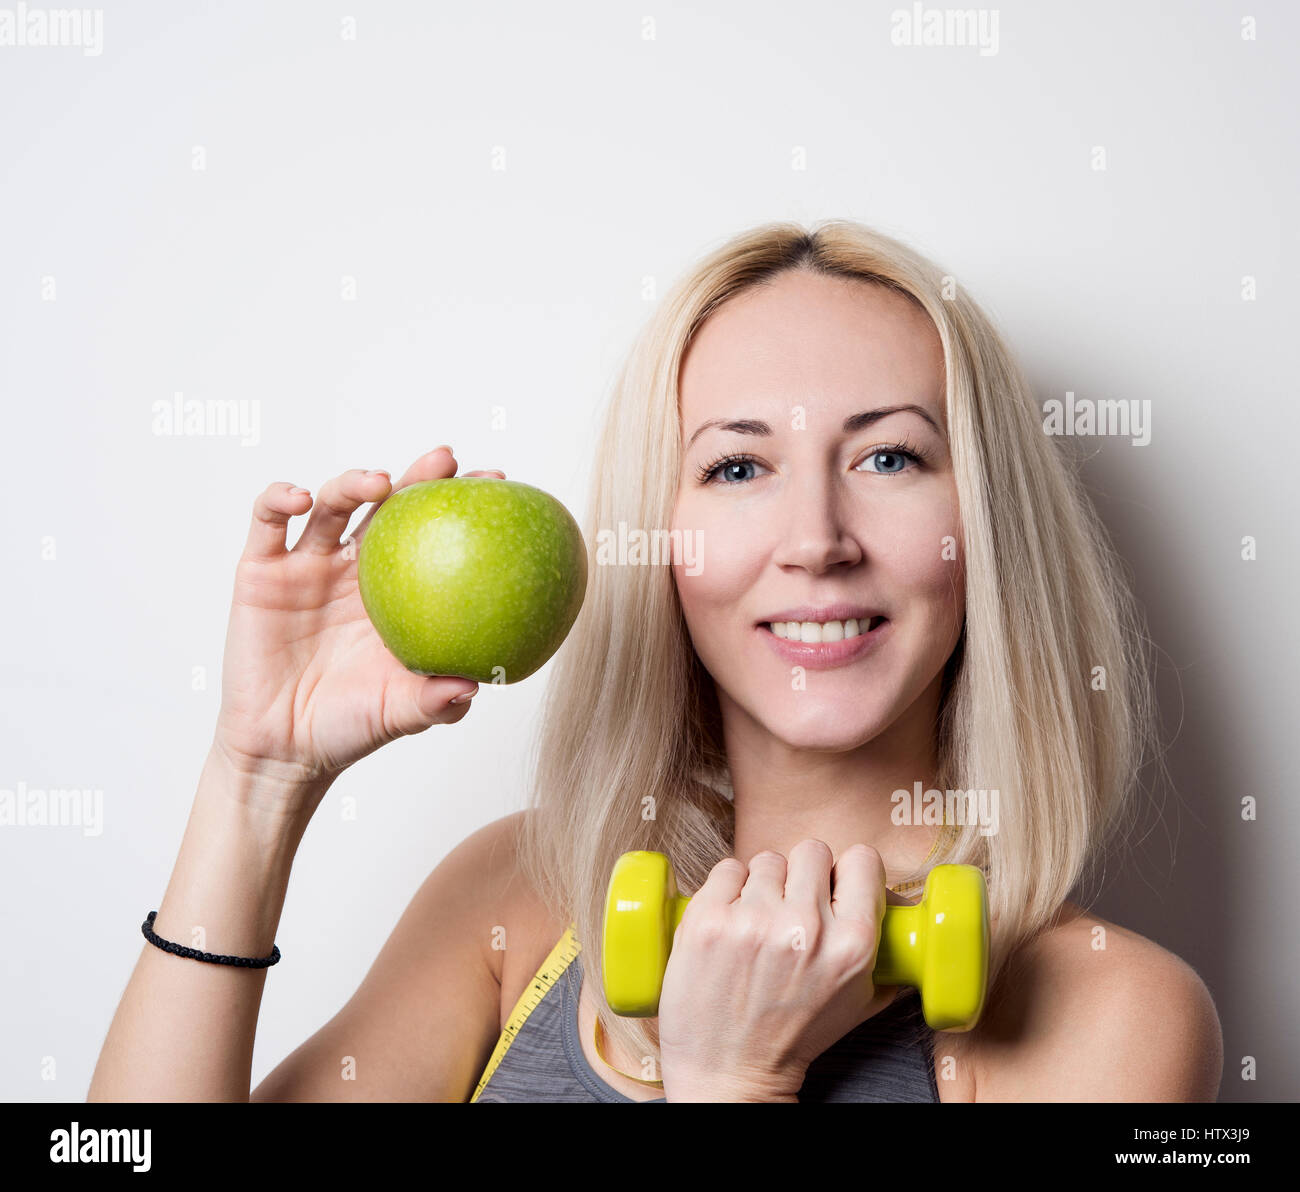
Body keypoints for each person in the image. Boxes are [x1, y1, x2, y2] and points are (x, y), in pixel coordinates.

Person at [89, 220, 1222, 1103]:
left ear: (983, 527)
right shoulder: (518, 900)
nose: (815, 539)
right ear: (661, 536)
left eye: (888, 455)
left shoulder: (1107, 1012)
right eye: (736, 469)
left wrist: (735, 1080)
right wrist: (259, 776)